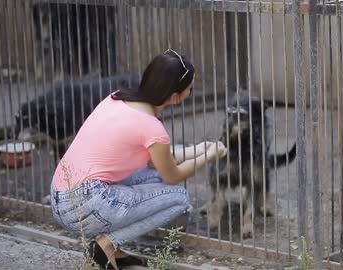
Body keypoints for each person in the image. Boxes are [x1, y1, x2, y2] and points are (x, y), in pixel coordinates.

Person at [50, 49, 227, 270]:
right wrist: (208, 156)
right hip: (84, 206)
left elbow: (160, 161)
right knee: (178, 198)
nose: (191, 91)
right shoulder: (152, 127)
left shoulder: (117, 98)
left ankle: (112, 250)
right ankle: (105, 245)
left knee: (152, 177)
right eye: (190, 88)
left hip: (60, 196)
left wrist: (199, 149)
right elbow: (173, 175)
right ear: (174, 97)